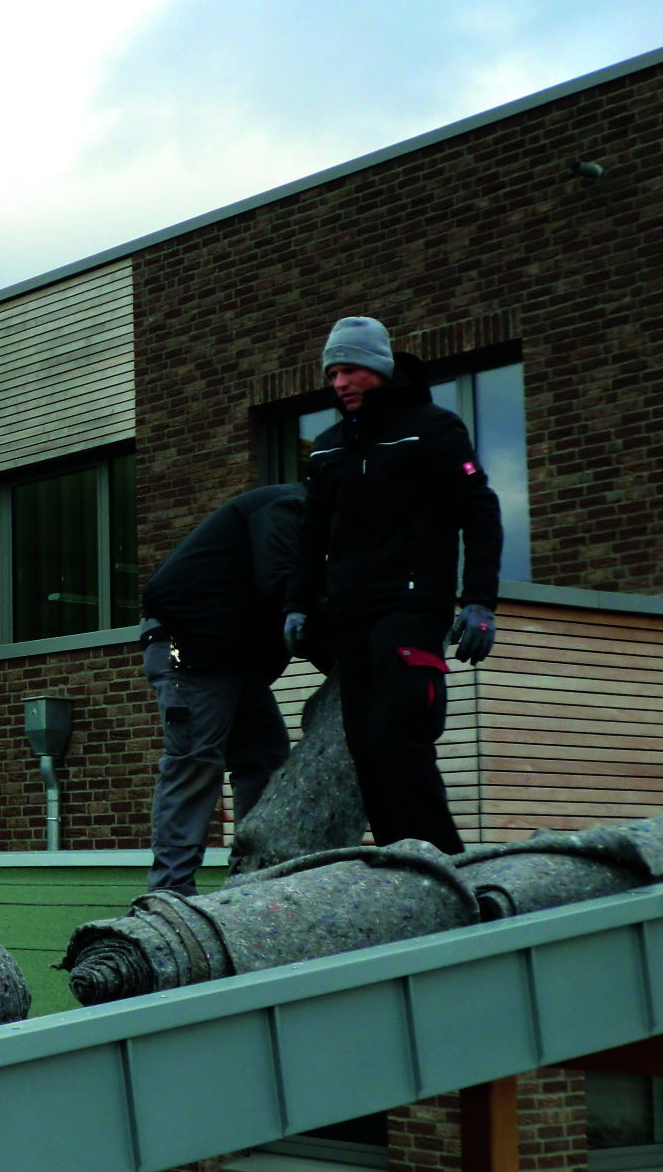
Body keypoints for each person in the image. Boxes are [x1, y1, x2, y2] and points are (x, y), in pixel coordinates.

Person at [283, 316, 503, 854]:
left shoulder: (433, 428)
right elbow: (311, 535)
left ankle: (443, 863)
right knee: (364, 748)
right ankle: (401, 869)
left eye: (351, 369)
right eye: (332, 372)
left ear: (379, 369)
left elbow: (480, 512)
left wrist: (478, 601)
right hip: (349, 619)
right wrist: (298, 605)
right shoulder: (328, 448)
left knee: (395, 733)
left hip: (411, 609)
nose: (339, 383)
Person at [139, 483, 312, 894]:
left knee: (265, 755)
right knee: (195, 759)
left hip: (233, 655)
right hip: (191, 644)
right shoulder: (290, 508)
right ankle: (171, 892)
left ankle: (253, 877)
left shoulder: (312, 524)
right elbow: (281, 587)